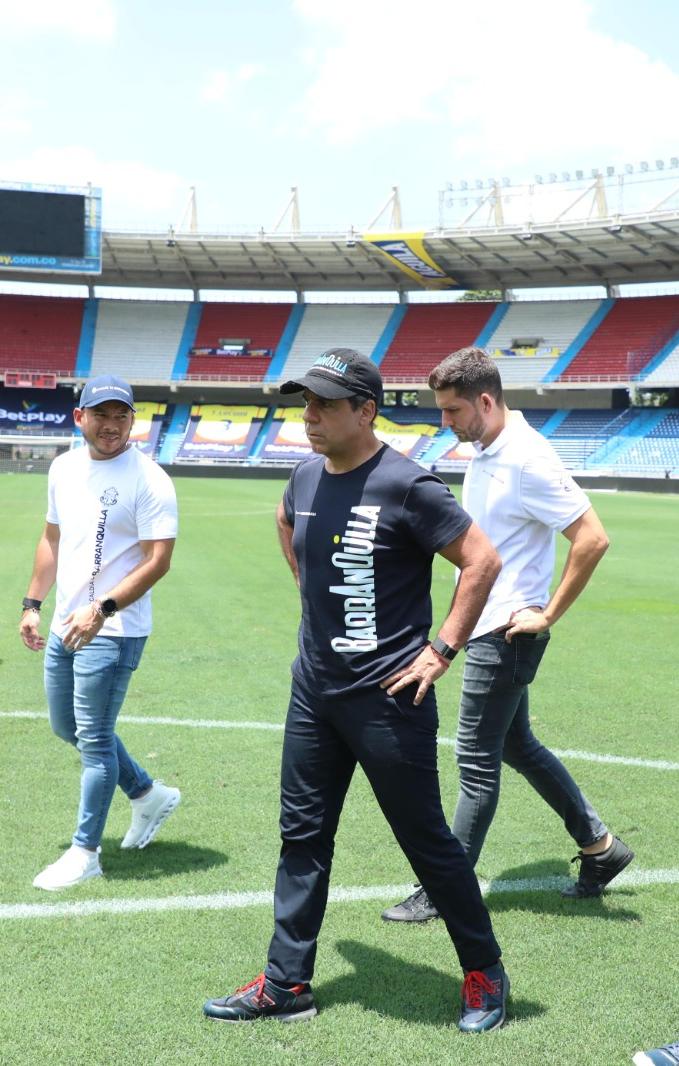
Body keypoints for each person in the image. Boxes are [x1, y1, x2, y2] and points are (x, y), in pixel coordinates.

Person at [203, 349, 509, 1033]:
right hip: (313, 691)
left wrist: (440, 649)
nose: (307, 418)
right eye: (303, 404)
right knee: (301, 835)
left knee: (426, 841)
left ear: (364, 411)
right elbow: (286, 521)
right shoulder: (305, 476)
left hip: (387, 698)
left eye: (323, 405)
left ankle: (483, 970)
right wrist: (314, 602)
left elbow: (481, 559)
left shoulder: (407, 484)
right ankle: (287, 983)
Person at [383, 346, 633, 923]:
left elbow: (592, 538)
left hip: (509, 633)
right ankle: (601, 847)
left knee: (474, 760)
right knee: (517, 745)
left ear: (486, 401)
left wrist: (547, 614)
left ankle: (447, 889)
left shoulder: (527, 459)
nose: (445, 422)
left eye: (452, 411)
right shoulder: (488, 449)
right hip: (487, 625)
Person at [20, 374, 181, 891]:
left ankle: (86, 851)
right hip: (69, 621)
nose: (112, 425)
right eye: (101, 414)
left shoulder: (150, 478)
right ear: (80, 418)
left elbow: (159, 562)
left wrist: (103, 609)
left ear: (133, 419)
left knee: (92, 738)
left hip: (114, 629)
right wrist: (32, 604)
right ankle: (147, 793)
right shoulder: (63, 467)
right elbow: (51, 538)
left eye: (121, 415)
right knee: (67, 728)